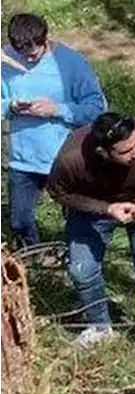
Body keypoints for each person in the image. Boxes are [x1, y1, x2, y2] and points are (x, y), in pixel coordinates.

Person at [47, 112, 135, 360]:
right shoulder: (73, 158)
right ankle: (100, 327)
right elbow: (59, 192)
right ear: (104, 152)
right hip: (93, 207)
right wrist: (105, 209)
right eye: (126, 152)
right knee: (82, 269)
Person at [0, 13, 107, 249]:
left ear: (45, 38)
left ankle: (78, 258)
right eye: (21, 53)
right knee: (20, 220)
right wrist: (11, 106)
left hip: (65, 156)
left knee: (78, 217)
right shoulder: (4, 60)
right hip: (23, 159)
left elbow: (96, 108)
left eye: (33, 53)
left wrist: (56, 109)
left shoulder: (72, 63)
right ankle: (30, 265)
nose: (27, 59)